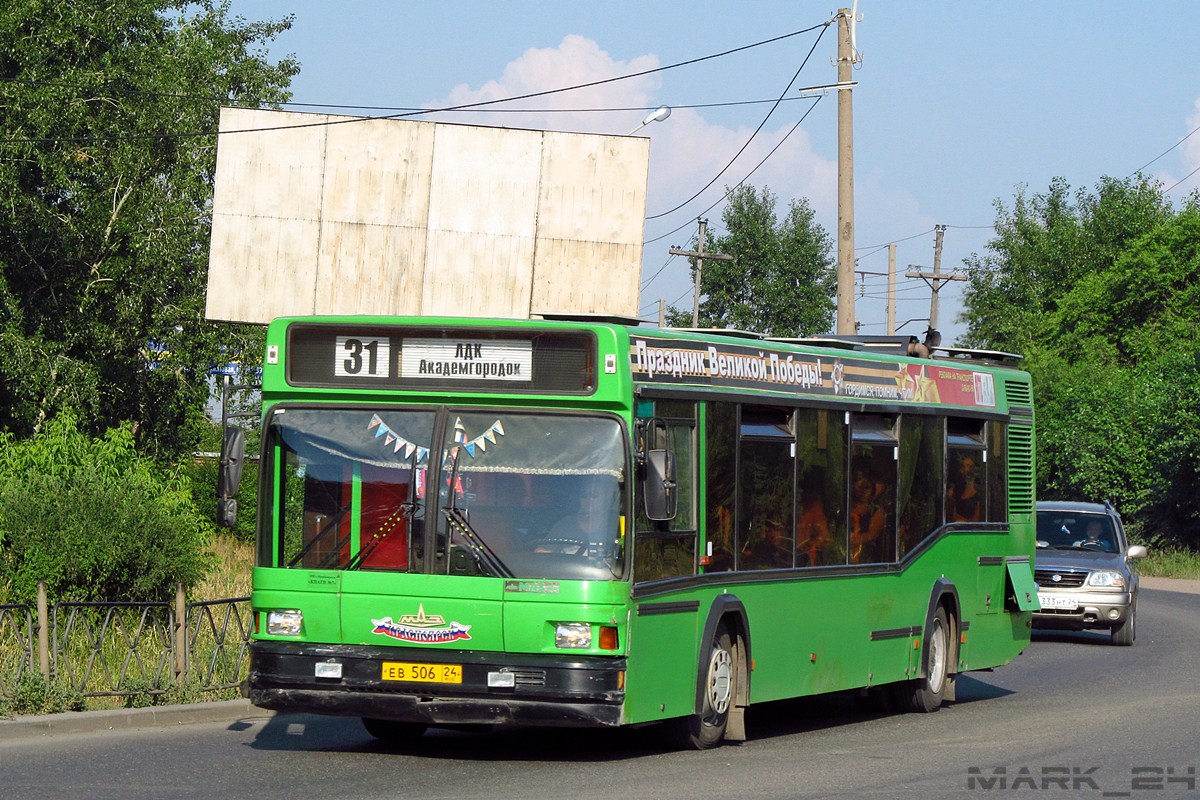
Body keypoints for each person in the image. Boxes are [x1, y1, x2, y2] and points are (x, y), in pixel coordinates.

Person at [538, 476, 619, 555]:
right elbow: (545, 550)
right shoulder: (565, 524)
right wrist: (540, 552)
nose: (588, 500)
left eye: (594, 495)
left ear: (607, 497)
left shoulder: (615, 524)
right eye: (584, 495)